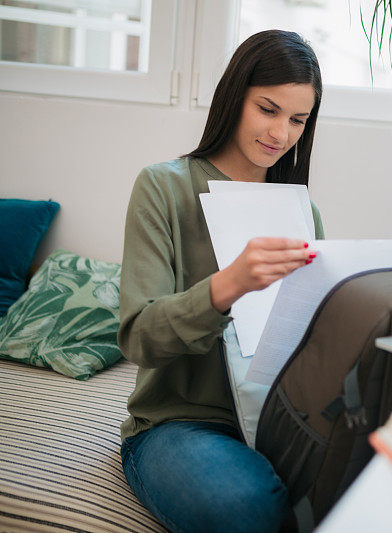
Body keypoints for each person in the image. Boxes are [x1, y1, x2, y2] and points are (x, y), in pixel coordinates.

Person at [117, 30, 323, 533]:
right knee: (243, 507)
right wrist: (226, 286)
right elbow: (138, 337)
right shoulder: (163, 187)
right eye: (268, 109)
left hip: (279, 420)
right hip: (179, 424)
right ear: (235, 97)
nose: (281, 133)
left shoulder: (302, 210)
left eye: (298, 119)